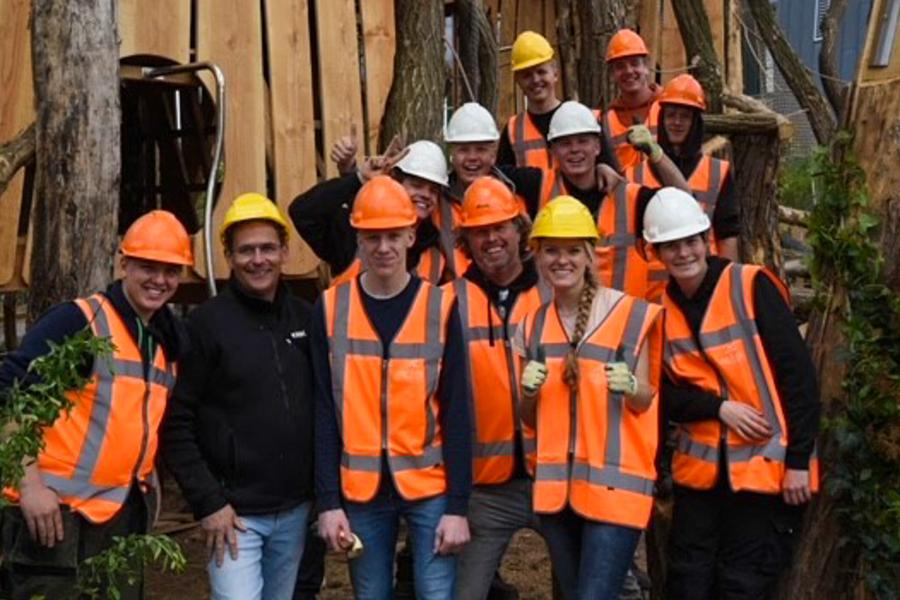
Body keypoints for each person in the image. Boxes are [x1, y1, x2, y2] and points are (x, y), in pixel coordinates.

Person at [0, 211, 193, 600]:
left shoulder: (163, 341)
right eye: (147, 267)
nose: (159, 279)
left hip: (120, 519)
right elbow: (10, 396)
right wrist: (30, 485)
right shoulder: (79, 322)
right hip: (55, 517)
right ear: (123, 264)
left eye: (170, 270)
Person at [641, 187, 820, 599]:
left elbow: (799, 380)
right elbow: (658, 394)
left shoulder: (751, 286)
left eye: (690, 241)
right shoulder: (658, 309)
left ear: (707, 240)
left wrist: (798, 462)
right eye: (671, 246)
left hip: (764, 469)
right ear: (656, 253)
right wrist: (717, 408)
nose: (683, 253)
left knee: (741, 585)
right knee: (686, 579)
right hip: (699, 475)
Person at [312, 176, 472, 599]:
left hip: (429, 488)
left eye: (392, 236)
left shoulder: (440, 306)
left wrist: (458, 507)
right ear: (358, 239)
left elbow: (458, 412)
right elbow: (324, 411)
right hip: (361, 492)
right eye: (372, 237)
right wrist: (329, 501)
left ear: (410, 236)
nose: (383, 248)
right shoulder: (330, 308)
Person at [159, 194, 314, 600]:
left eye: (267, 248)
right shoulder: (207, 325)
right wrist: (208, 501)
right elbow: (176, 423)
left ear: (285, 251)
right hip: (234, 516)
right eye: (246, 250)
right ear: (229, 256)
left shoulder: (306, 319)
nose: (258, 259)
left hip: (295, 510)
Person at [515, 196, 664, 599]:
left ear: (588, 256)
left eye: (571, 251)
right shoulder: (530, 327)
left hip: (615, 490)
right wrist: (527, 391)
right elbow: (528, 419)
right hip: (556, 492)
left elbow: (647, 398)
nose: (560, 261)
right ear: (538, 257)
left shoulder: (630, 315)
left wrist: (633, 387)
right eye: (551, 251)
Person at [446, 177, 548, 599]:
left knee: (587, 586)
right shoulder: (447, 301)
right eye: (480, 230)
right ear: (466, 237)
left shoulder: (553, 290)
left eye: (500, 227)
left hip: (555, 478)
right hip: (485, 489)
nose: (491, 238)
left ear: (518, 229)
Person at [540, 100, 689, 301]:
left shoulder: (630, 198)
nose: (574, 149)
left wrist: (655, 152)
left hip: (622, 325)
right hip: (563, 324)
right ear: (553, 151)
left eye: (583, 141)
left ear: (597, 146)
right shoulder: (539, 187)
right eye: (565, 143)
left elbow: (684, 202)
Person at [290, 139, 453, 284]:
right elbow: (303, 213)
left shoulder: (435, 250)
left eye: (433, 190)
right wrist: (358, 178)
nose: (426, 195)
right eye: (417, 185)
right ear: (396, 181)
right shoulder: (354, 234)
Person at [626, 74, 740, 261]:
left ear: (695, 122)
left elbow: (727, 236)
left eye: (685, 117)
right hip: (651, 287)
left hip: (703, 282)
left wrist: (726, 283)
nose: (677, 122)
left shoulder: (718, 173)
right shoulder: (635, 175)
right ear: (661, 119)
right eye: (671, 115)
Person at [498, 31, 564, 169]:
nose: (535, 80)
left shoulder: (580, 118)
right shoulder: (512, 130)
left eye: (541, 72)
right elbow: (503, 181)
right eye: (526, 75)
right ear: (518, 81)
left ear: (555, 73)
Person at [601, 29, 662, 172]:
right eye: (620, 66)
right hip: (628, 193)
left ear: (646, 67)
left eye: (634, 63)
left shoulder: (667, 106)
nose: (628, 71)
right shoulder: (606, 121)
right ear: (612, 74)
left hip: (668, 192)